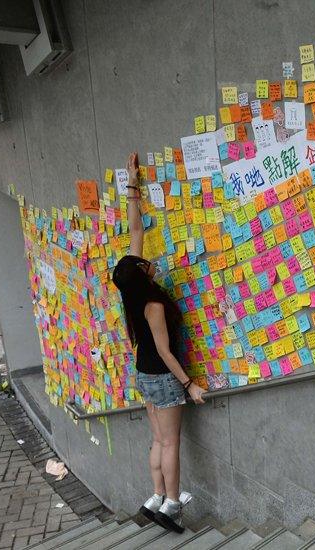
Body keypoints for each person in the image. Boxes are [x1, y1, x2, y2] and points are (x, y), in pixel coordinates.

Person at [111, 152, 206, 533]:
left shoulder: (130, 290)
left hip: (143, 376)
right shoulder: (151, 304)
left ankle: (154, 496)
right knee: (170, 444)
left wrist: (133, 185)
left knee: (156, 439)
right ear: (141, 274)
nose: (145, 261)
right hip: (163, 379)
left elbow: (136, 232)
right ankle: (171, 506)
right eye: (142, 263)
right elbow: (166, 352)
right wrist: (190, 385)